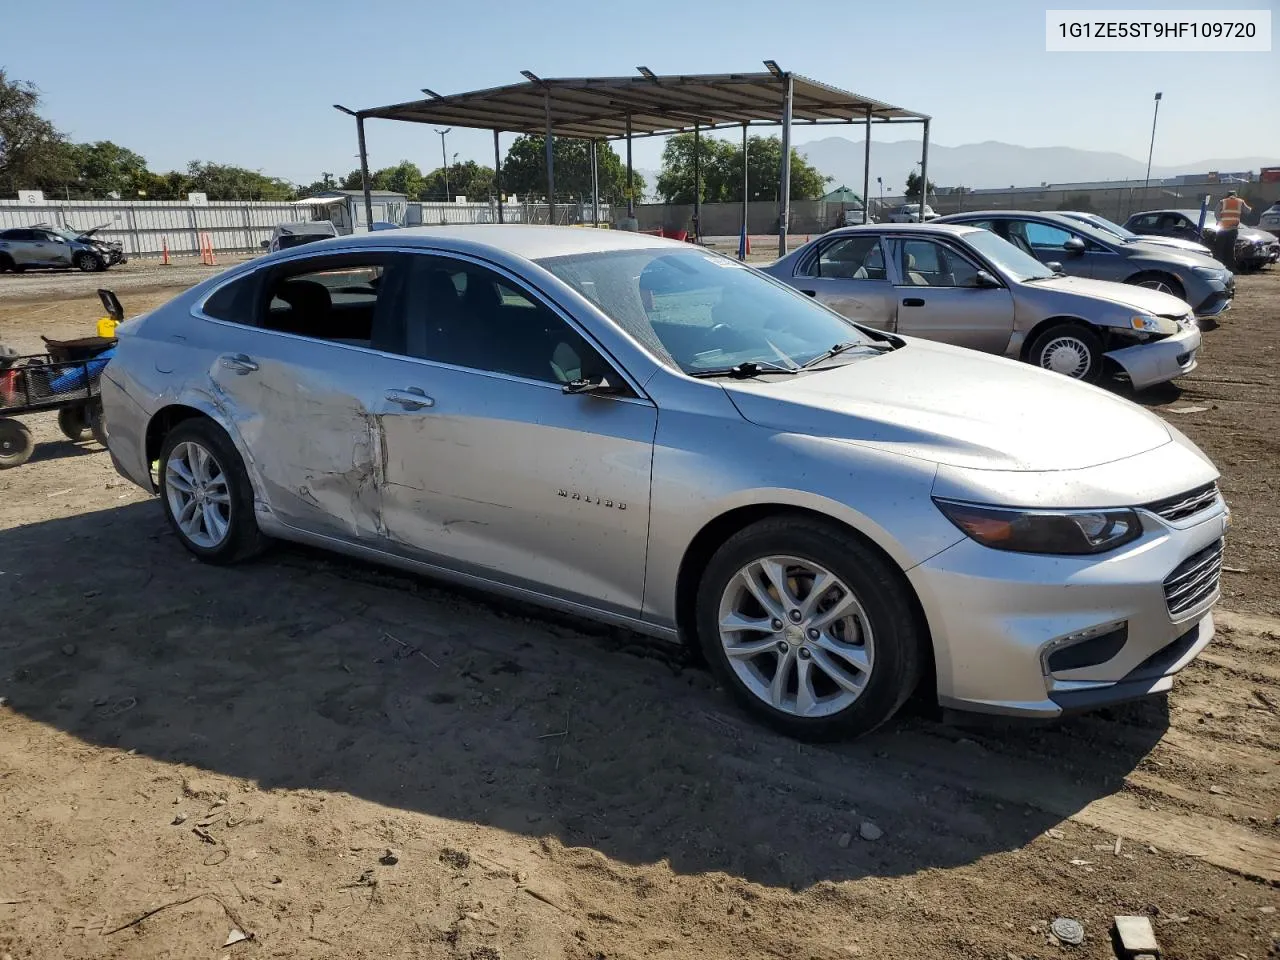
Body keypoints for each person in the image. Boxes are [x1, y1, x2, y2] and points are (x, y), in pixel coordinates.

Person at [1214, 189, 1252, 270]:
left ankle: (1218, 267)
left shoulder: (1223, 201)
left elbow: (1216, 212)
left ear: (1227, 195)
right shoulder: (1240, 201)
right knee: (1230, 249)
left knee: (1220, 248)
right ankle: (1231, 268)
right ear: (1235, 195)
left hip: (1222, 229)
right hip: (1233, 229)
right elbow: (1248, 211)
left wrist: (1219, 221)